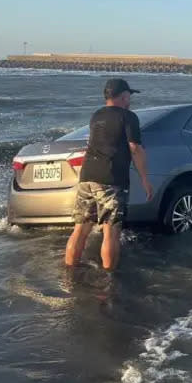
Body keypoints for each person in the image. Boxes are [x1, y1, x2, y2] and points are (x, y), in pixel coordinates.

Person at [65, 78, 153, 271]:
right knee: (111, 232)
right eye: (129, 95)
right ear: (123, 96)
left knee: (80, 230)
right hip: (111, 179)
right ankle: (108, 278)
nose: (130, 99)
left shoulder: (97, 115)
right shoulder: (128, 117)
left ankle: (69, 273)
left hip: (87, 177)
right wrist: (145, 179)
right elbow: (135, 148)